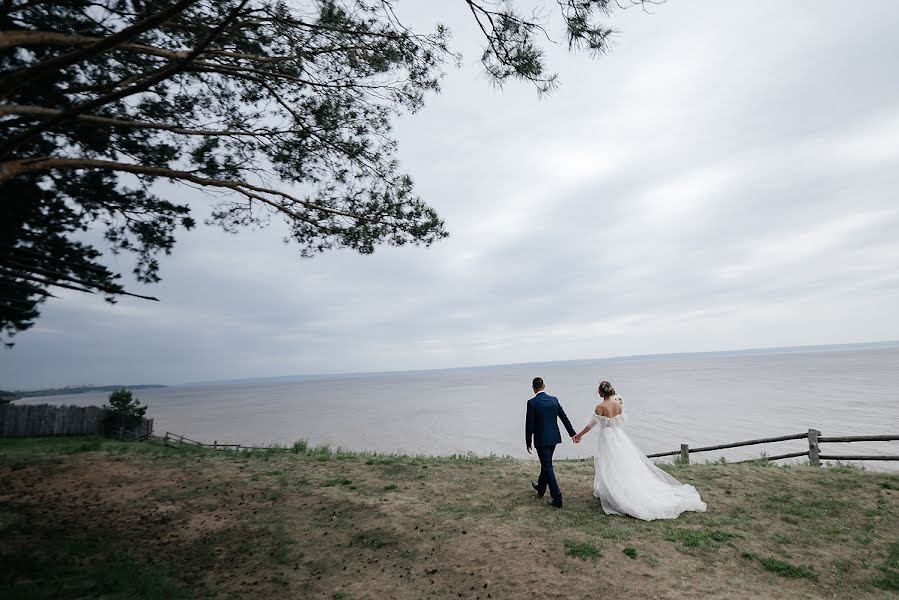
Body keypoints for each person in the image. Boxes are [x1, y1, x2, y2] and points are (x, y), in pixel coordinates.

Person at [572, 380, 707, 520]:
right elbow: (621, 421)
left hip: (607, 437)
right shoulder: (618, 404)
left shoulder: (600, 407)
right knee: (623, 463)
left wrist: (579, 435)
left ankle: (614, 493)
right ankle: (615, 489)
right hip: (618, 435)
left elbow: (592, 424)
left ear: (601, 392)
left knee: (609, 463)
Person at [525, 377, 577, 508]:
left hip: (541, 440)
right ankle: (541, 488)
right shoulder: (554, 400)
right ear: (544, 386)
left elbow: (529, 424)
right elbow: (564, 417)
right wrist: (573, 433)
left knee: (547, 466)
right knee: (546, 463)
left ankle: (557, 498)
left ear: (533, 388)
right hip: (553, 438)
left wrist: (528, 442)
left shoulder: (532, 403)